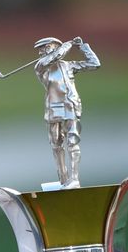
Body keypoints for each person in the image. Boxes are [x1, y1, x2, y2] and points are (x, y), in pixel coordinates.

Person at [33, 36, 100, 189]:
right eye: (40, 49)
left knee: (72, 142)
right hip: (53, 109)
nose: (40, 52)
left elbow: (95, 64)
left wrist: (84, 47)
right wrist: (68, 44)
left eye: (45, 47)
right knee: (56, 145)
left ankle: (74, 179)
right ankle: (63, 179)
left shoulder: (68, 66)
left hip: (70, 106)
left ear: (55, 46)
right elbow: (55, 56)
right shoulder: (41, 66)